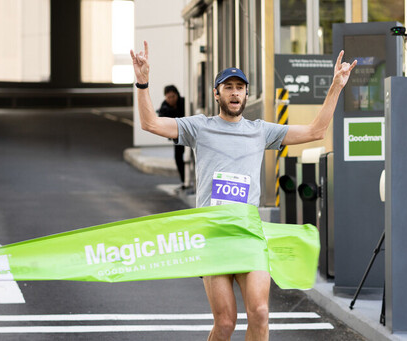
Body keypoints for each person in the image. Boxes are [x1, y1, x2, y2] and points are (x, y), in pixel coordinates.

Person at [130, 41, 356, 341]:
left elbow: (316, 131)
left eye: (240, 87)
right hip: (213, 234)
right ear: (217, 93)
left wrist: (336, 87)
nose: (235, 92)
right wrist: (143, 81)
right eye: (228, 87)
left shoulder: (260, 130)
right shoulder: (200, 127)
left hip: (248, 233)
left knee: (260, 313)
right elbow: (150, 123)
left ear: (246, 95)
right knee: (225, 324)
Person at [158, 85, 185, 187]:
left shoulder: (183, 102)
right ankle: (183, 180)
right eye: (169, 97)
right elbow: (161, 119)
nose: (171, 99)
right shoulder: (164, 106)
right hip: (177, 136)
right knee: (178, 158)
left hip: (188, 134)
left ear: (177, 95)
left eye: (173, 96)